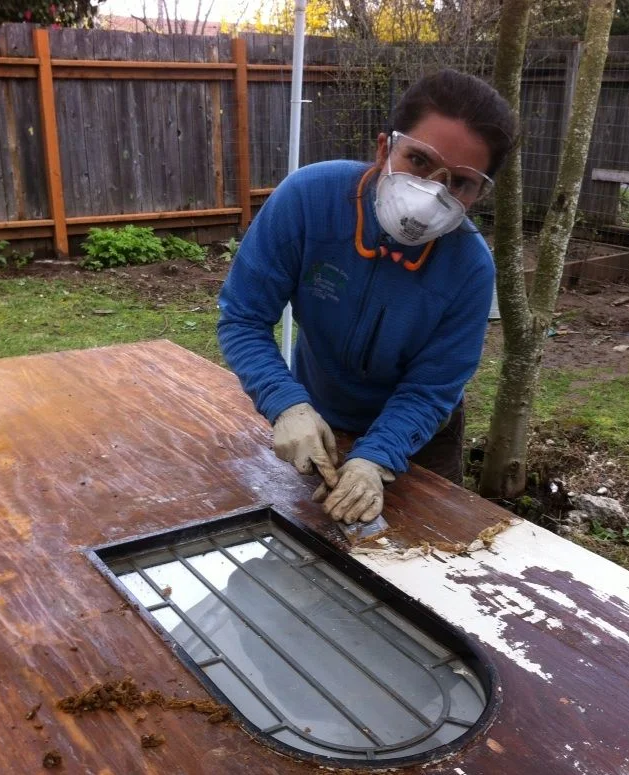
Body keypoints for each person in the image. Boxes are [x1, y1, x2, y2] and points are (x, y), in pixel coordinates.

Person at [217, 69, 515, 526]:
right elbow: (243, 316)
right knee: (308, 542)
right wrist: (284, 402)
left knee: (419, 562)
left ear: (479, 192)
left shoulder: (471, 270)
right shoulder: (308, 200)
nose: (433, 191)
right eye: (418, 160)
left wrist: (378, 456)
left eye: (460, 182)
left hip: (418, 440)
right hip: (316, 418)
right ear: (384, 149)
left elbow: (432, 387)